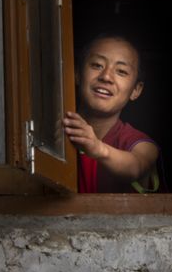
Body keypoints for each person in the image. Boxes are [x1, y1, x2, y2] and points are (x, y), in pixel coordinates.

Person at [63, 34, 160, 193]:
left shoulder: (141, 145)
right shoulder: (56, 132)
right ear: (77, 74)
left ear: (136, 90)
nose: (106, 77)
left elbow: (135, 167)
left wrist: (97, 148)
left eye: (121, 71)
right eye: (97, 65)